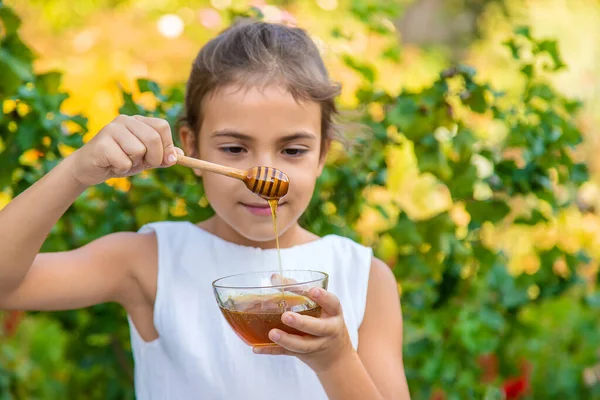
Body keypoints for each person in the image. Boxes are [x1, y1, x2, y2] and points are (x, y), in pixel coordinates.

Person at [0, 20, 410, 400]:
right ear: (190, 145)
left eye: (293, 150)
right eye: (234, 148)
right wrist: (75, 172)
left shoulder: (365, 277)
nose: (263, 172)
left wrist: (336, 360)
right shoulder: (149, 260)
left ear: (323, 154)